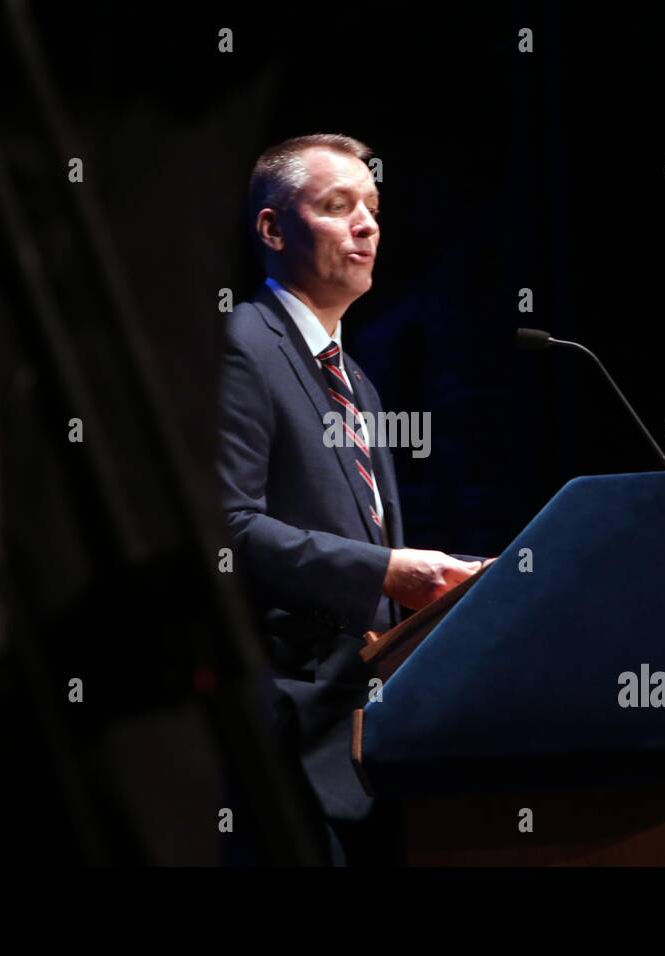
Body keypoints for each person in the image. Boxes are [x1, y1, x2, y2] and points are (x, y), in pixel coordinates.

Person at [216, 133, 482, 864]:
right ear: (272, 228)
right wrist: (384, 570)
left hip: (368, 738)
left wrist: (458, 585)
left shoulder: (357, 381)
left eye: (371, 207)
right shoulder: (243, 342)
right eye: (338, 207)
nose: (365, 224)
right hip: (289, 733)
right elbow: (227, 529)